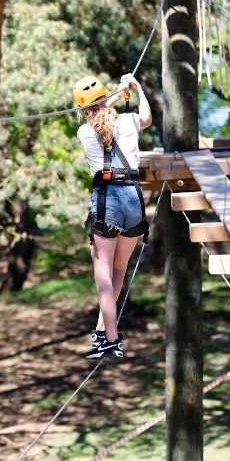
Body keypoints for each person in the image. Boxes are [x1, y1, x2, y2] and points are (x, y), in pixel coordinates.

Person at [72, 73, 152, 360]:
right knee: (118, 269)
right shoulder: (129, 121)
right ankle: (103, 330)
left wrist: (116, 94)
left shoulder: (84, 133)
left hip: (108, 199)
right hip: (134, 197)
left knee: (103, 272)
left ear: (82, 109)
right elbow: (146, 116)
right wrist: (135, 88)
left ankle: (111, 338)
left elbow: (98, 115)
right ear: (105, 99)